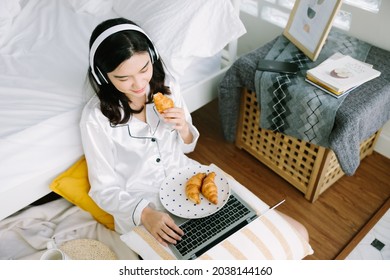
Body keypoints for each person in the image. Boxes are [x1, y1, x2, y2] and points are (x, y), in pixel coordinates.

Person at [80, 18, 200, 247]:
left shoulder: (169, 86)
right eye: (123, 78)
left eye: (144, 69)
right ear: (102, 76)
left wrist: (183, 126)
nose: (138, 84)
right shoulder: (95, 119)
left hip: (185, 185)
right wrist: (145, 214)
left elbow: (187, 145)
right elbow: (103, 189)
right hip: (140, 208)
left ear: (152, 57)